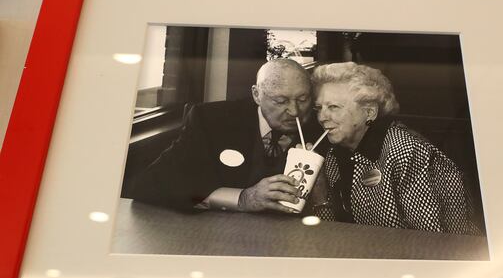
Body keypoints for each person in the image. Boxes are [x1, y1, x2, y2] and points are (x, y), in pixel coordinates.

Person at [129, 59, 323, 213]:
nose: (295, 111)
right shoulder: (212, 121)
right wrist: (242, 199)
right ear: (257, 95)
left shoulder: (321, 124)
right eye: (281, 101)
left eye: (303, 99)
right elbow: (150, 185)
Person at [310, 62, 481, 235]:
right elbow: (335, 235)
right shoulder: (335, 154)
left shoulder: (408, 152)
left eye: (333, 107)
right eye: (319, 108)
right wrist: (321, 197)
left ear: (369, 112)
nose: (322, 117)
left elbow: (429, 242)